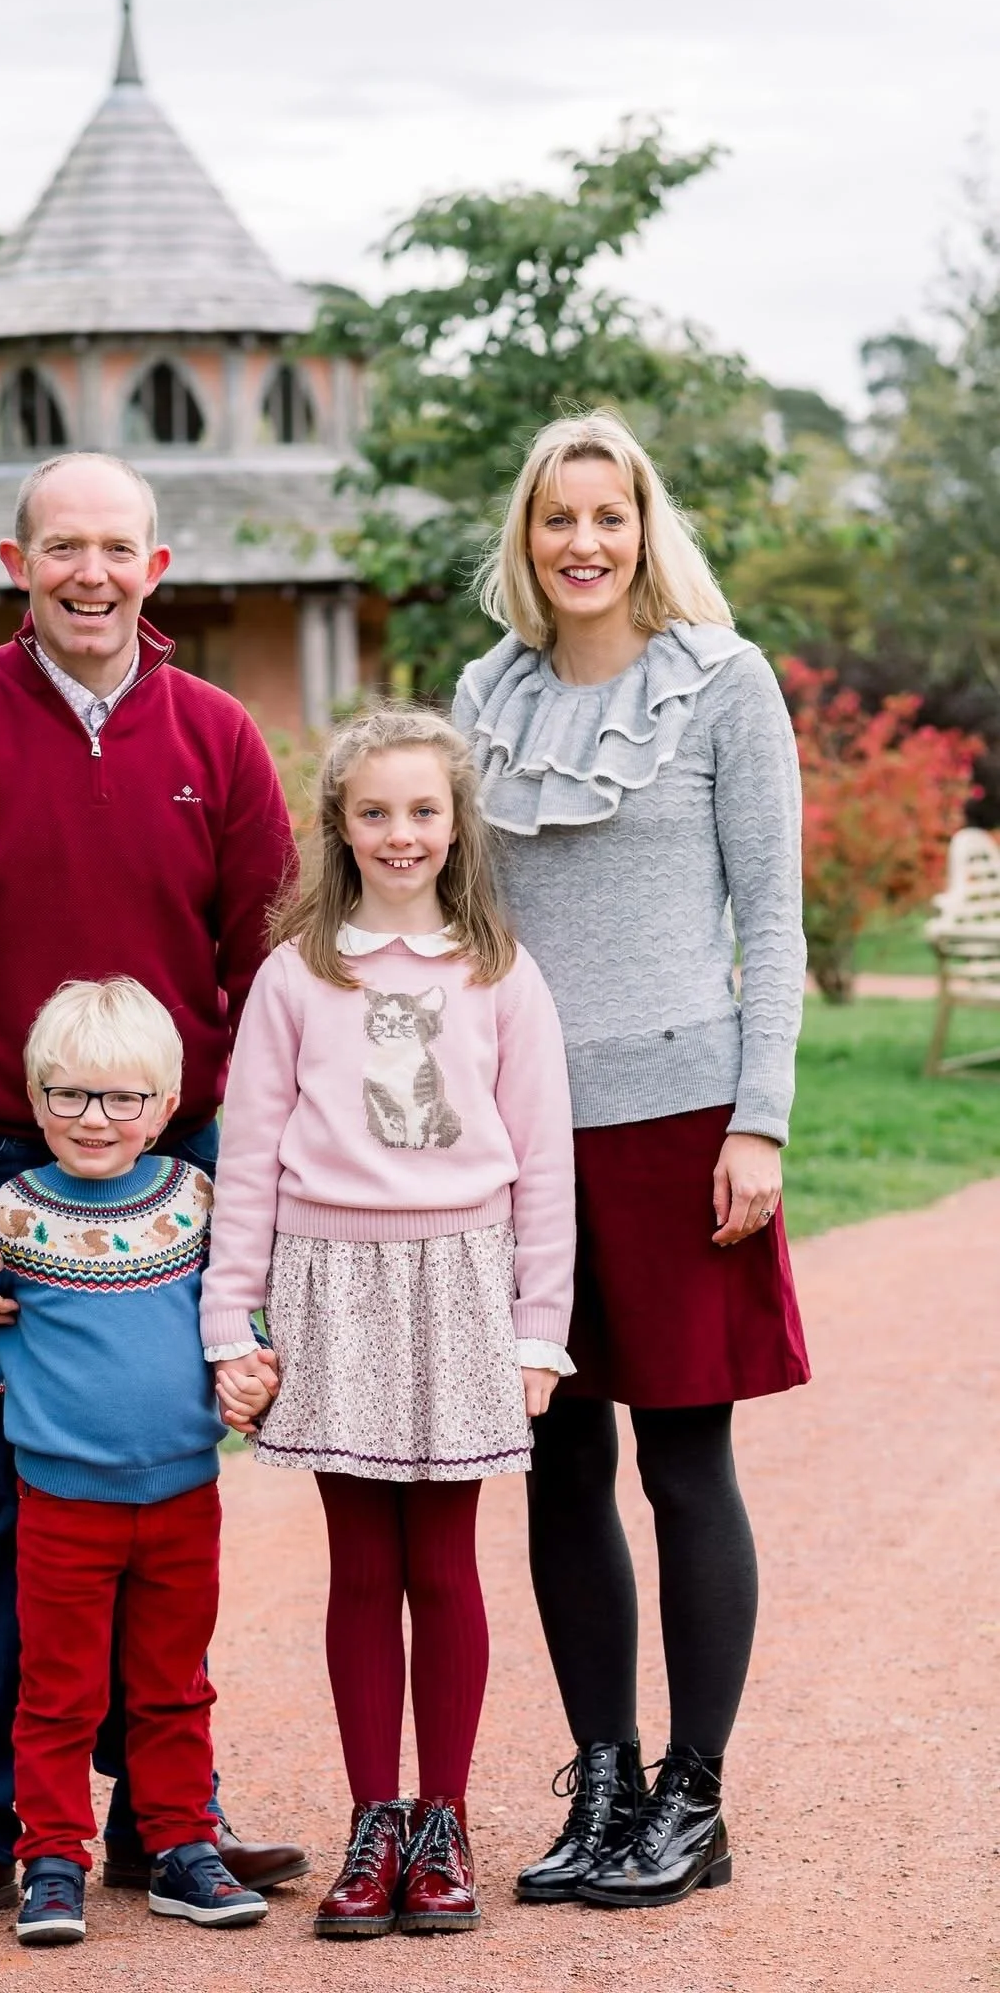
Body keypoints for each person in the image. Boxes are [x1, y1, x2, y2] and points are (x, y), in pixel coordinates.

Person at [0, 452, 305, 1938]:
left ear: (156, 568)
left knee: (156, 1485)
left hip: (181, 1171)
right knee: (0, 1504)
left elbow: (269, 970)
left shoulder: (216, 736)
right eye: (64, 548)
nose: (91, 573)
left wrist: (238, 1163)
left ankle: (161, 1818)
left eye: (117, 548)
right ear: (17, 560)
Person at [453, 408, 809, 1909]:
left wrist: (760, 1118)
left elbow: (771, 922)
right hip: (517, 1131)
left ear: (645, 528)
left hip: (680, 1126)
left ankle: (691, 1797)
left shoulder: (724, 689)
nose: (581, 542)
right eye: (555, 519)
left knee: (679, 1458)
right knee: (550, 1459)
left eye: (607, 515)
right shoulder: (480, 697)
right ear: (525, 541)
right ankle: (598, 1778)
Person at [200, 705, 577, 1939]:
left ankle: (445, 1818)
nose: (399, 832)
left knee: (443, 1560)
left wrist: (537, 1329)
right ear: (338, 825)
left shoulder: (499, 971)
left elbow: (541, 1165)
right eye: (374, 812)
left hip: (461, 1283)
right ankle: (374, 1821)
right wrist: (227, 1321)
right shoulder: (296, 971)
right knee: (361, 1564)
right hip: (329, 1285)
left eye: (422, 810)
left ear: (455, 821)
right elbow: (248, 1157)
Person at [0, 978, 269, 1945]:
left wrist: (248, 1360)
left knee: (171, 1684)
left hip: (184, 1498)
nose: (93, 1118)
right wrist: (15, 1383)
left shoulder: (195, 1198)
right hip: (63, 1504)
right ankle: (53, 1862)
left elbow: (240, 1298)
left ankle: (180, 1847)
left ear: (162, 1110)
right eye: (67, 1095)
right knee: (60, 1690)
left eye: (120, 1098)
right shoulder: (12, 1211)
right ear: (34, 1103)